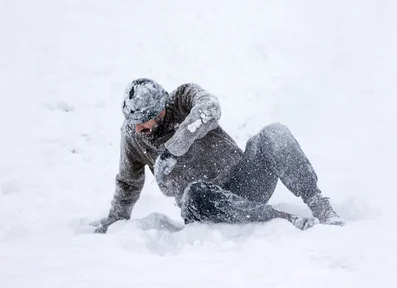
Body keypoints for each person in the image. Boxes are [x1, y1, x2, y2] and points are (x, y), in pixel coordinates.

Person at [94, 78, 343, 233]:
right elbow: (128, 182)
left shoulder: (182, 98)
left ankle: (319, 204)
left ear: (161, 110)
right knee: (194, 192)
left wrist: (172, 149)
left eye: (143, 121)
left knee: (273, 133)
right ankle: (283, 219)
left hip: (243, 182)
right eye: (133, 122)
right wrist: (114, 222)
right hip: (203, 205)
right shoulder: (132, 135)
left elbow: (209, 108)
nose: (138, 129)